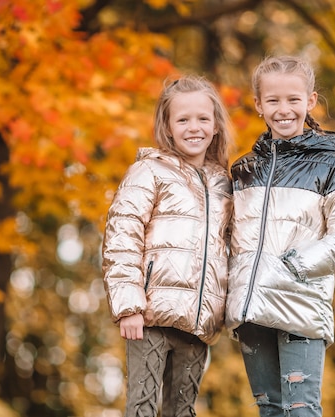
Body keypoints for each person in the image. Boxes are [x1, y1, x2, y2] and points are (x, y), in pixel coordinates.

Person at [225, 55, 335, 417]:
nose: (283, 109)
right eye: (273, 100)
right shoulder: (243, 170)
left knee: (301, 410)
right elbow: (230, 238)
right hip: (252, 309)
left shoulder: (332, 164)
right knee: (270, 410)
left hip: (300, 304)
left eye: (293, 99)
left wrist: (294, 267)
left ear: (311, 100)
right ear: (258, 104)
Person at [101, 75, 234, 417]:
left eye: (203, 119)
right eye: (183, 119)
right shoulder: (149, 172)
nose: (194, 127)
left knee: (183, 411)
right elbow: (122, 236)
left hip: (198, 325)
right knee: (142, 408)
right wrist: (129, 305)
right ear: (168, 126)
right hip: (150, 318)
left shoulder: (226, 184)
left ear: (216, 125)